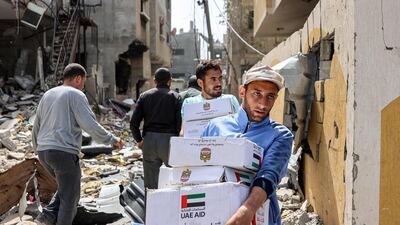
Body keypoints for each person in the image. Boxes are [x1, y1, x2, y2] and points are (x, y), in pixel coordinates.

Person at [32, 63, 124, 225]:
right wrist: (112, 140)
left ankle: (47, 216)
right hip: (63, 153)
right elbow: (89, 124)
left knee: (66, 188)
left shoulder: (48, 94)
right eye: (83, 82)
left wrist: (37, 150)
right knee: (71, 198)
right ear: (77, 78)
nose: (83, 86)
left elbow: (36, 126)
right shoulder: (75, 94)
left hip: (44, 152)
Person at [202, 65, 294, 225]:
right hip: (214, 213)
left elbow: (268, 176)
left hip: (259, 217)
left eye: (270, 96)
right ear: (242, 92)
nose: (263, 104)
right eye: (257, 94)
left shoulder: (280, 135)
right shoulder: (215, 126)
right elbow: (199, 168)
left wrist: (246, 211)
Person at [130, 68, 182, 189]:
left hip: (149, 142)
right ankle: (171, 206)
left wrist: (139, 140)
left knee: (151, 186)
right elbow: (180, 124)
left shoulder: (144, 96)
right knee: (173, 182)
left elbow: (133, 123)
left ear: (155, 81)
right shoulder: (176, 97)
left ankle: (152, 207)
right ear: (170, 81)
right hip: (170, 142)